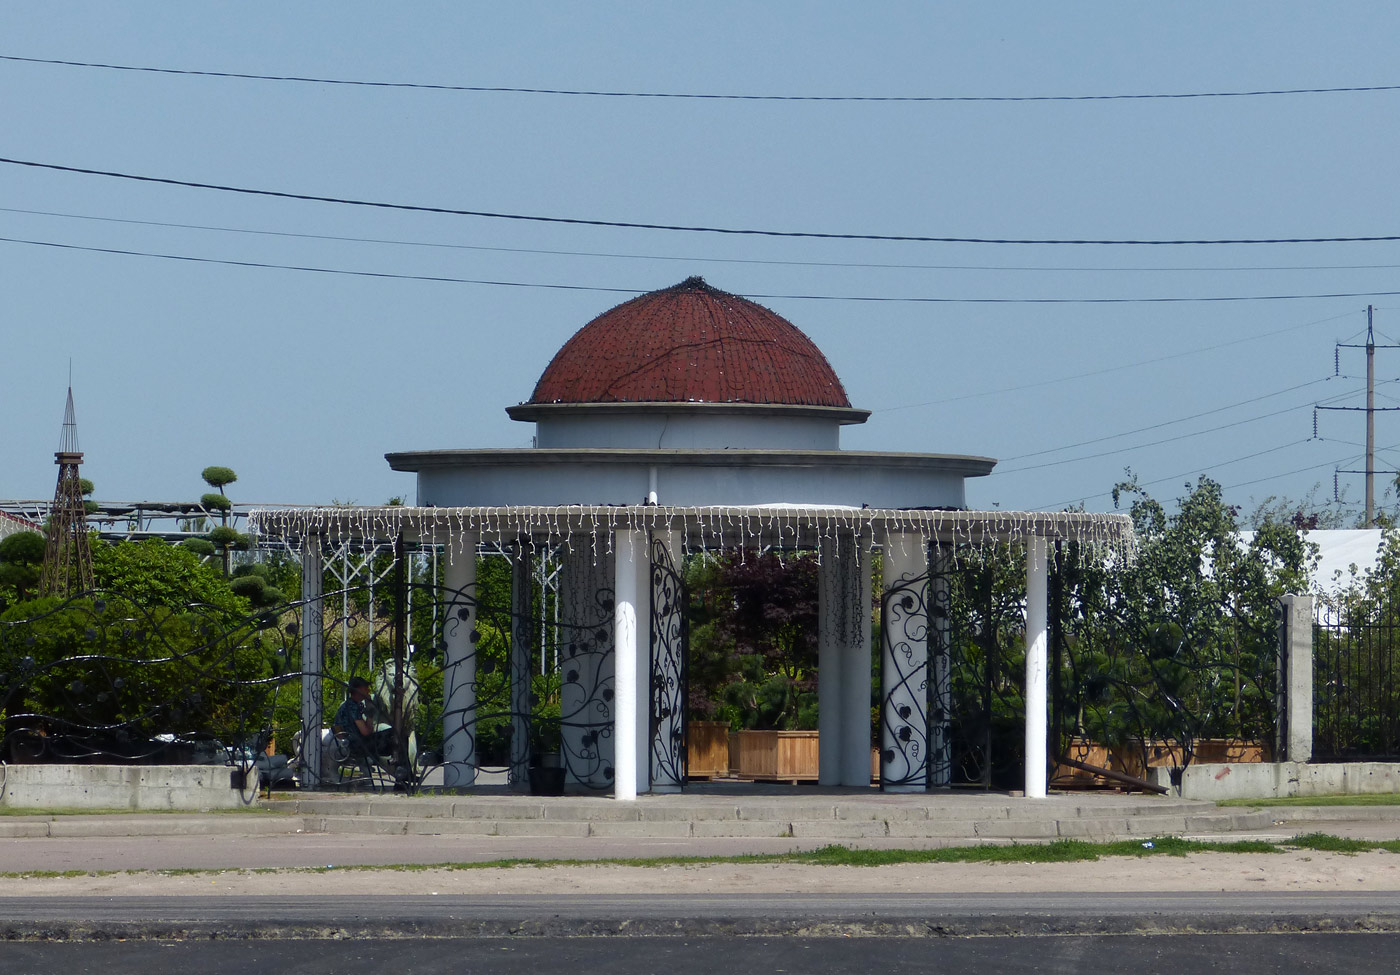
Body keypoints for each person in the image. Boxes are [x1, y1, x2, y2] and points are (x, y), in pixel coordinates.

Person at [333, 676, 392, 775]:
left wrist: (369, 709)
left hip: (355, 743)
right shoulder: (352, 706)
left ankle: (395, 768)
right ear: (358, 690)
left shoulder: (355, 705)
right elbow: (366, 732)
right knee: (391, 736)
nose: (368, 690)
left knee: (390, 737)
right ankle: (399, 770)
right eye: (365, 688)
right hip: (352, 746)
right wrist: (370, 712)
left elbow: (369, 730)